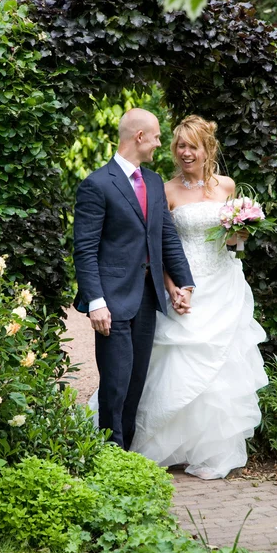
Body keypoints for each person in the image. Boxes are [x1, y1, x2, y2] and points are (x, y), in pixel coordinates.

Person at [130, 115, 268, 480]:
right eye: (180, 145)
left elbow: (234, 241)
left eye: (192, 146)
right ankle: (160, 442)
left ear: (208, 149)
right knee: (176, 360)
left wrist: (242, 230)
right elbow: (156, 246)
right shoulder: (166, 190)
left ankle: (206, 447)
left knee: (222, 367)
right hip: (183, 287)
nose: (185, 153)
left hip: (223, 284)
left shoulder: (227, 187)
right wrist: (171, 287)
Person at [73, 108, 195, 451]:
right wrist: (95, 301)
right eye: (156, 136)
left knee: (136, 383)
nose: (159, 143)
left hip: (147, 296)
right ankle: (108, 458)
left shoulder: (154, 182)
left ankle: (123, 456)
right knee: (115, 384)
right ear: (139, 136)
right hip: (111, 301)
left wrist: (184, 284)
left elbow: (166, 237)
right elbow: (84, 250)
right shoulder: (96, 184)